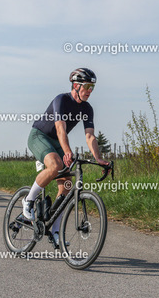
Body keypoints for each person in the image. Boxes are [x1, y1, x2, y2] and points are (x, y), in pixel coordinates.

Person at [23, 68, 109, 246]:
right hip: (40, 136)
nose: (90, 91)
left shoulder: (87, 108)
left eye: (92, 87)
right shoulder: (61, 100)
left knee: (67, 186)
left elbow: (89, 136)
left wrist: (99, 158)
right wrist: (68, 151)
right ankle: (28, 200)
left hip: (56, 142)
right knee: (55, 165)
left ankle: (55, 232)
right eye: (87, 86)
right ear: (76, 86)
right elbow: (60, 129)